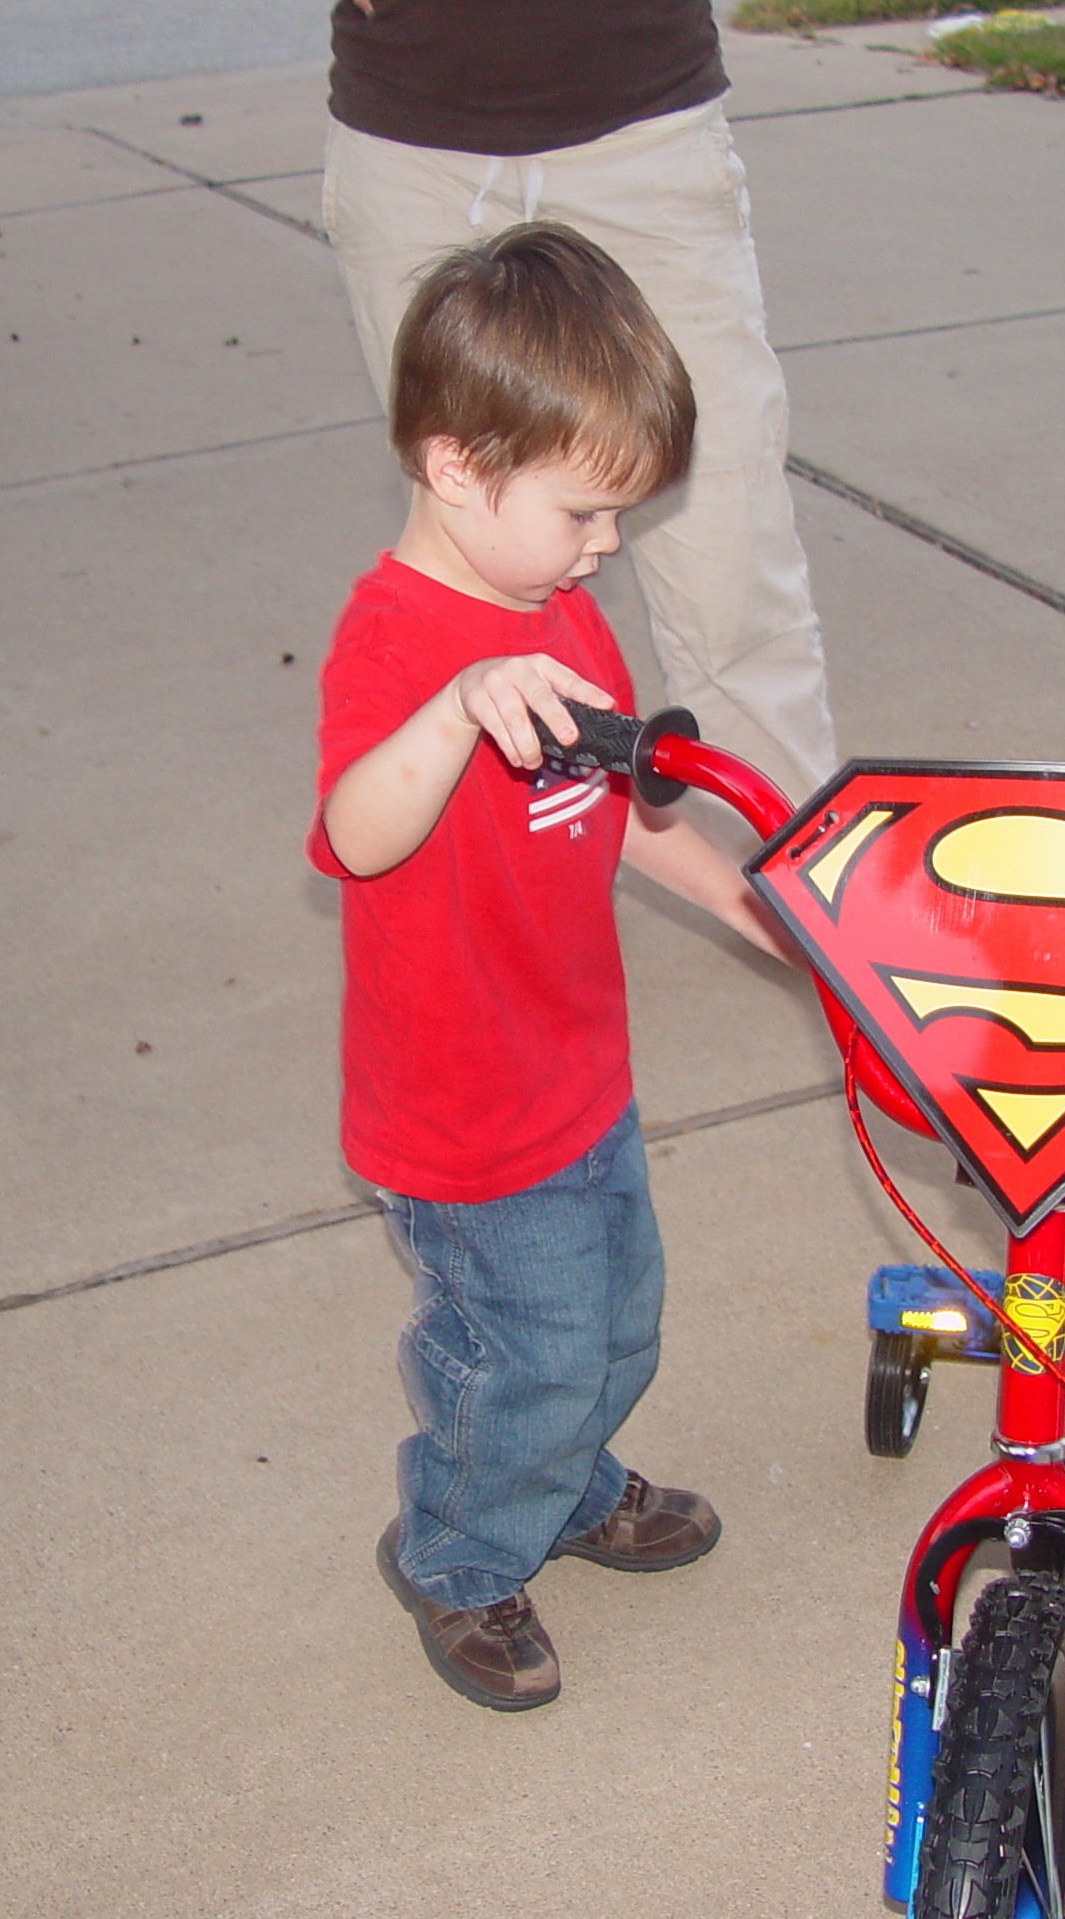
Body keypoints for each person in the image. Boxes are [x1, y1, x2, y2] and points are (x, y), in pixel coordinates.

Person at [309, 222, 791, 1713]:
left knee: (618, 1315)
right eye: (586, 512)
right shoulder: (401, 646)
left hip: (575, 1067)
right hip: (460, 1113)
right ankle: (458, 1549)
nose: (606, 549)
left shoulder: (559, 616)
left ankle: (566, 1484)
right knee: (525, 1343)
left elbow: (624, 821)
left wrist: (765, 912)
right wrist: (455, 710)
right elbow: (355, 831)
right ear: (459, 467)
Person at [323, 0, 838, 803]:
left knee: (728, 568)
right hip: (411, 134)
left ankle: (797, 905)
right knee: (473, 565)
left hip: (643, 124)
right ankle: (499, 889)